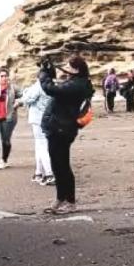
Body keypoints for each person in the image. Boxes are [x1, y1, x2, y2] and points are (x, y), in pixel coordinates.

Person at [38, 55, 94, 215]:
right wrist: (49, 70)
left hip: (63, 129)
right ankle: (60, 199)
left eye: (69, 67)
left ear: (76, 70)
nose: (67, 70)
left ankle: (70, 201)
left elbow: (51, 89)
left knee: (62, 165)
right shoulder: (78, 82)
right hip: (58, 128)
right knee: (57, 164)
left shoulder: (77, 85)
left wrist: (43, 74)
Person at [21, 79, 55, 185]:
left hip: (38, 119)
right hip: (50, 118)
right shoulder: (53, 84)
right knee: (40, 145)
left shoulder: (38, 85)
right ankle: (38, 172)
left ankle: (49, 174)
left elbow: (27, 99)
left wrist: (25, 92)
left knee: (42, 146)